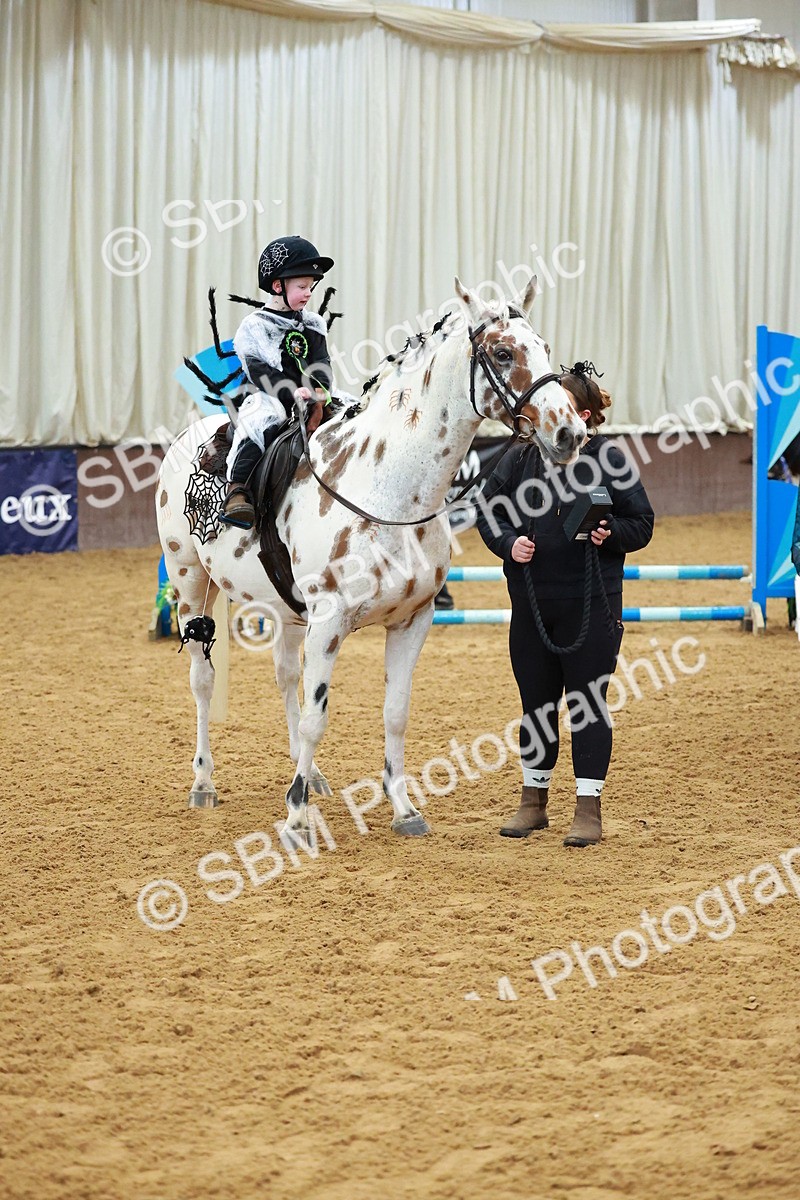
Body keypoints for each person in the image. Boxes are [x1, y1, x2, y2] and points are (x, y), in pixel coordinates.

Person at [476, 363, 654, 847]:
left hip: (592, 606)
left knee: (587, 706)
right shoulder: (519, 459)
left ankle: (588, 807)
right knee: (535, 707)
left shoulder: (611, 459)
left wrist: (609, 532)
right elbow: (488, 512)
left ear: (586, 416)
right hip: (532, 607)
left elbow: (642, 523)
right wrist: (508, 544)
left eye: (566, 409)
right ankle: (533, 802)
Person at [221, 235, 340, 529]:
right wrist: (290, 392)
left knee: (352, 410)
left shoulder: (314, 323)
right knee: (260, 419)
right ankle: (237, 490)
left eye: (311, 287)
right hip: (271, 395)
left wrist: (320, 392)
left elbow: (321, 362)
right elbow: (259, 370)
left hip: (312, 395)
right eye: (302, 287)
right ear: (278, 286)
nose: (308, 293)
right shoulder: (253, 326)